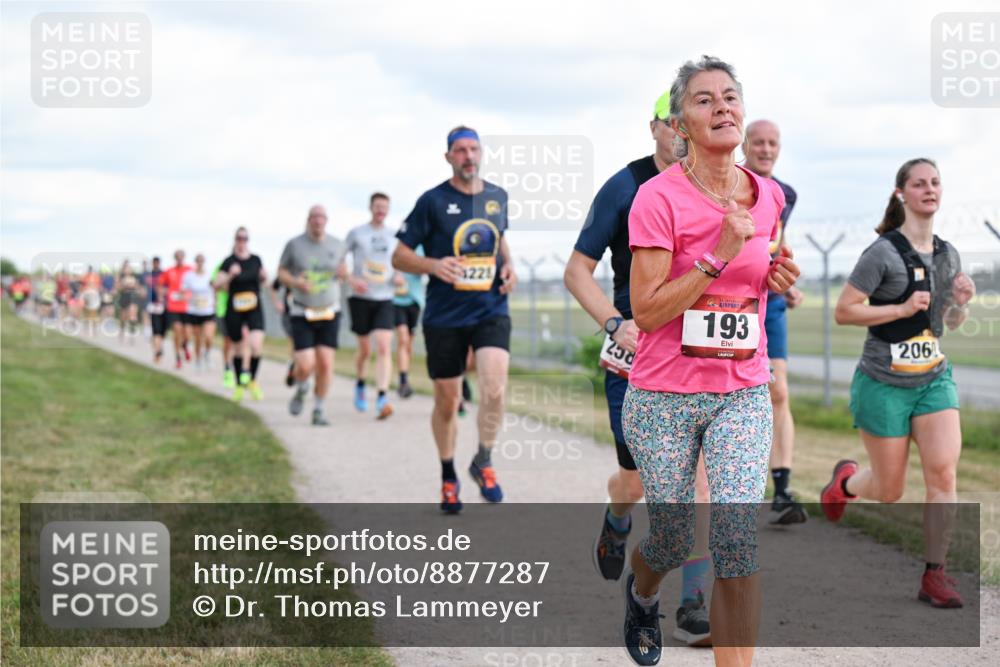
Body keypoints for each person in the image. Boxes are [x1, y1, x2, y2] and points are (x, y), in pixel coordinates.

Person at [621, 56, 800, 667]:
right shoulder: (655, 198)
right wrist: (714, 257)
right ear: (679, 124)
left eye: (730, 97)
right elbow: (645, 312)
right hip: (664, 394)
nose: (722, 107)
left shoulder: (768, 195)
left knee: (734, 538)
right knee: (671, 541)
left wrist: (776, 277)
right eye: (704, 100)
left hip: (741, 389)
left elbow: (750, 289)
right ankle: (643, 592)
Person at [564, 90, 713, 646]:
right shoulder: (625, 188)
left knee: (697, 482)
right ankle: (617, 516)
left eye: (689, 121)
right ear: (654, 127)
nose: (682, 132)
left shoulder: (713, 185)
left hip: (698, 354)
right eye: (673, 122)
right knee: (637, 480)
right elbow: (578, 270)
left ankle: (693, 601)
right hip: (636, 351)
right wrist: (613, 322)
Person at [825, 158, 973, 609]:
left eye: (935, 183)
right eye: (919, 183)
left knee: (944, 473)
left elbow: (946, 322)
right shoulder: (882, 254)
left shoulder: (948, 254)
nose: (929, 189)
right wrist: (900, 308)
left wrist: (961, 304)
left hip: (933, 380)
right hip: (882, 383)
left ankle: (935, 574)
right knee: (890, 491)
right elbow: (844, 311)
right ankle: (845, 483)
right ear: (901, 194)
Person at [392, 125, 518, 513]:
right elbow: (399, 255)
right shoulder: (432, 202)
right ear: (448, 157)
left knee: (494, 387)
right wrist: (432, 264)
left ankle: (483, 459)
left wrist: (509, 265)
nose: (468, 156)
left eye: (474, 149)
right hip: (444, 314)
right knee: (447, 401)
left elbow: (499, 239)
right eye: (460, 150)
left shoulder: (497, 197)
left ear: (481, 154)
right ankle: (448, 474)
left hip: (490, 308)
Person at [743, 119, 807, 525]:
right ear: (745, 145)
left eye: (773, 143)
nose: (766, 149)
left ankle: (781, 488)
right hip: (733, 299)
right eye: (759, 142)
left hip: (773, 300)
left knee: (779, 391)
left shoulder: (787, 194)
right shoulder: (731, 184)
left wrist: (786, 274)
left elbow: (775, 239)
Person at [279, 205, 348, 426]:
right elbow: (281, 272)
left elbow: (343, 272)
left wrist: (343, 274)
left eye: (322, 217)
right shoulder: (294, 244)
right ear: (309, 219)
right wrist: (296, 282)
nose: (318, 221)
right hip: (302, 310)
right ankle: (301, 388)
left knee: (326, 365)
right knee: (307, 365)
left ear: (326, 220)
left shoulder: (337, 245)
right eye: (314, 217)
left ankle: (319, 409)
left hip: (329, 310)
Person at [346, 192, 398, 420]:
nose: (381, 211)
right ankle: (359, 384)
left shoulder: (394, 235)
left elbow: (401, 260)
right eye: (377, 206)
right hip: (360, 298)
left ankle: (382, 397)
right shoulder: (357, 233)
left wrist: (399, 275)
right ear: (370, 207)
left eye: (384, 207)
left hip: (385, 297)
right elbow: (339, 260)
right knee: (365, 350)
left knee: (385, 346)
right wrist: (351, 279)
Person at [215, 228, 268, 401]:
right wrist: (230, 275)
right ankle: (239, 384)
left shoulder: (256, 260)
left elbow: (265, 281)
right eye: (239, 238)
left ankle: (252, 380)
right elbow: (216, 284)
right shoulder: (228, 261)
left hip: (254, 306)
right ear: (235, 240)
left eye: (245, 238)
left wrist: (264, 277)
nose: (242, 241)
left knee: (256, 344)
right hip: (235, 307)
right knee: (237, 348)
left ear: (248, 240)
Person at [392, 246, 425, 399]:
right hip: (396, 300)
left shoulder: (422, 247)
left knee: (409, 344)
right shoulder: (396, 245)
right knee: (403, 339)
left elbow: (425, 267)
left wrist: (414, 265)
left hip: (414, 299)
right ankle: (403, 381)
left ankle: (405, 375)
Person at [182, 253, 217, 370]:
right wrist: (186, 297)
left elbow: (215, 288)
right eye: (198, 261)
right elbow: (183, 290)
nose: (200, 263)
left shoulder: (210, 275)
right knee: (197, 338)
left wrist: (215, 302)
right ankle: (198, 360)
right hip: (194, 310)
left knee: (209, 336)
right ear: (195, 262)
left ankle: (207, 353)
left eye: (202, 261)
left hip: (208, 310)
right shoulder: (189, 276)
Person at [158, 251, 192, 369]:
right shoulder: (169, 271)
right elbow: (160, 284)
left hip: (187, 306)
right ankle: (178, 358)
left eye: (181, 257)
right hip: (173, 306)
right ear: (175, 259)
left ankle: (185, 345)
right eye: (177, 258)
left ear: (184, 258)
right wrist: (162, 293)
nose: (179, 260)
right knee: (177, 330)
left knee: (187, 333)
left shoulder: (189, 270)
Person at [270, 276, 297, 387]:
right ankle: (292, 366)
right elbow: (273, 287)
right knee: (294, 342)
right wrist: (276, 303)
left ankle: (297, 366)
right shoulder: (287, 271)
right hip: (289, 314)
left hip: (309, 314)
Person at [143, 257, 166, 363]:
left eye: (157, 262)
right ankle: (157, 351)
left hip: (162, 305)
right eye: (154, 262)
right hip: (151, 304)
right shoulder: (148, 274)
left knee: (161, 331)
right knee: (155, 330)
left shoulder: (164, 274)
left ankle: (159, 348)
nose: (156, 264)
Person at [116, 261, 144, 344]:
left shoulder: (135, 277)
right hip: (124, 297)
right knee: (123, 317)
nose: (128, 270)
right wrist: (124, 286)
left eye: (129, 268)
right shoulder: (120, 277)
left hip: (133, 297)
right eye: (126, 268)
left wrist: (138, 289)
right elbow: (118, 288)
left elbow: (138, 287)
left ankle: (132, 334)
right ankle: (122, 331)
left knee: (132, 315)